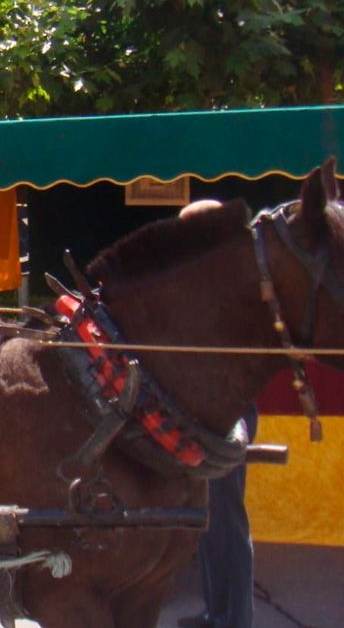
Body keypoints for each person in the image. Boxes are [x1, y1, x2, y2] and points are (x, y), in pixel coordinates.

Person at [179, 199, 257, 628]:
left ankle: (236, 618)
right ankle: (217, 611)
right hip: (203, 403)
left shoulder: (230, 278)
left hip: (226, 406)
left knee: (227, 517)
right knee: (209, 516)